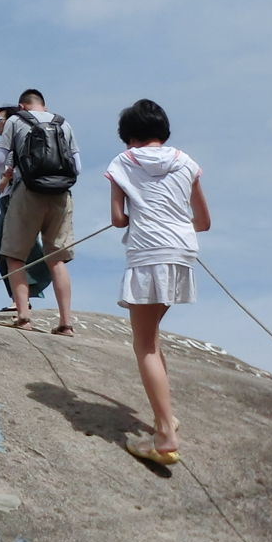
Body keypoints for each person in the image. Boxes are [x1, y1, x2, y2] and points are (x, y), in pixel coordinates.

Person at [106, 98, 210, 465]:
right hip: (182, 254)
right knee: (153, 338)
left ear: (129, 136)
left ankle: (165, 434)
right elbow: (203, 221)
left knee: (144, 345)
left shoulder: (122, 163)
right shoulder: (187, 162)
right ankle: (166, 415)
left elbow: (118, 219)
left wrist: (142, 215)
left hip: (148, 255)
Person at [0, 89, 77, 335]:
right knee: (56, 259)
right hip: (61, 195)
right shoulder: (63, 123)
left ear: (22, 106)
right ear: (44, 105)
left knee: (14, 256)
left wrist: (9, 171)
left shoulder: (16, 120)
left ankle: (23, 318)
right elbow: (77, 165)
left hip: (27, 191)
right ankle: (66, 323)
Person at [0, 106, 51, 307]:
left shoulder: (20, 144)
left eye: (0, 120)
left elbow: (18, 167)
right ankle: (19, 297)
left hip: (18, 199)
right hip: (7, 201)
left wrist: (5, 178)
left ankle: (21, 299)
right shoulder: (0, 147)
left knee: (14, 250)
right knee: (5, 252)